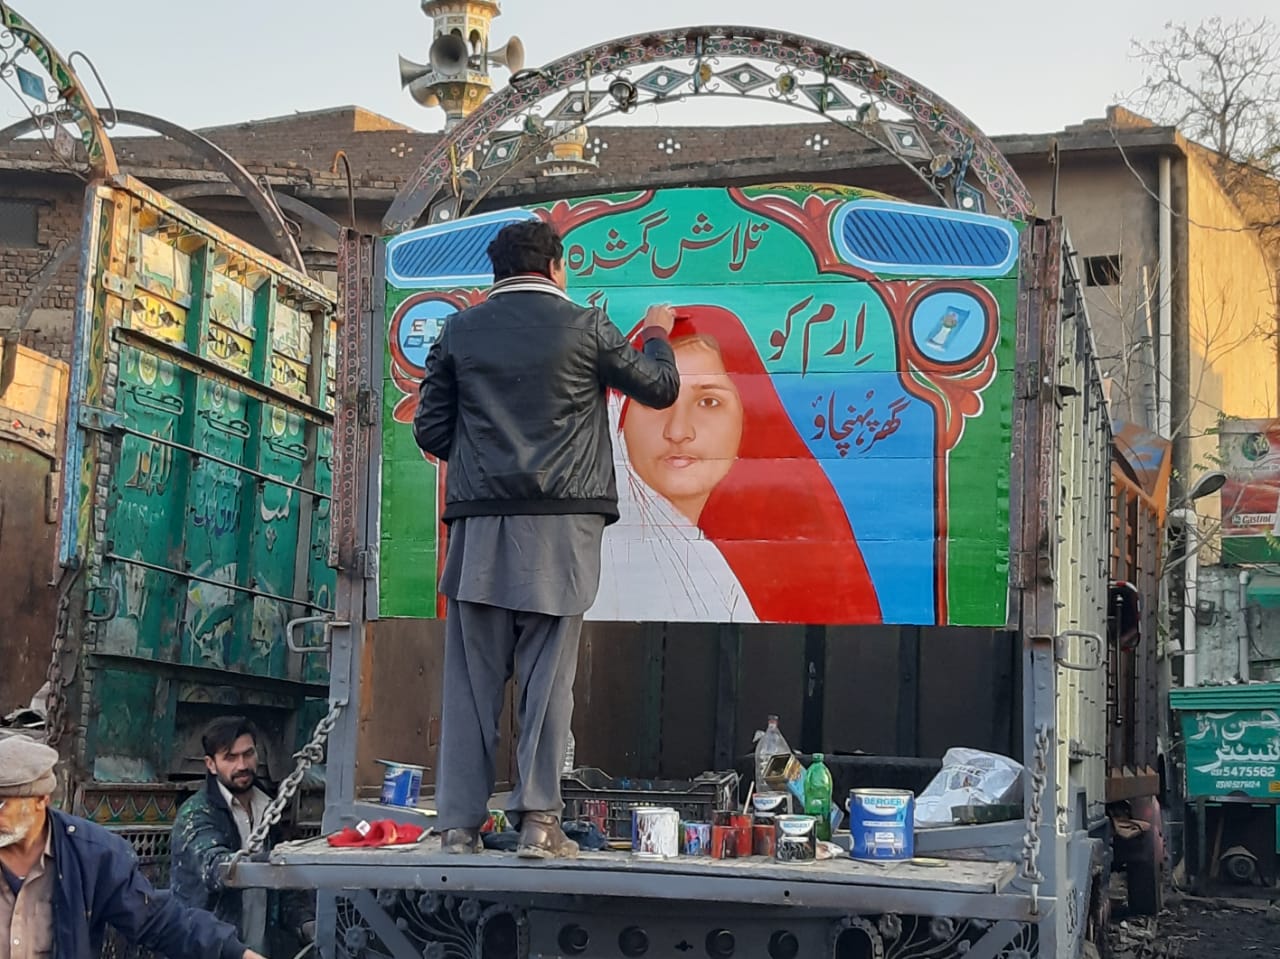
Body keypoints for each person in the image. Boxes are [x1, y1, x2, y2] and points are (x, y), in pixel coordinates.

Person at [414, 219, 680, 859]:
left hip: (480, 524)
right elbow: (659, 387)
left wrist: (485, 457)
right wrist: (657, 333)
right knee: (547, 682)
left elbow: (430, 429)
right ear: (557, 267)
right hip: (562, 526)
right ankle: (538, 823)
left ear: (496, 273)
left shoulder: (459, 332)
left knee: (471, 685)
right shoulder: (586, 327)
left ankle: (458, 827)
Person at [591, 305, 882, 624]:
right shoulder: (586, 555)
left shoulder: (803, 568)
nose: (678, 431)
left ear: (747, 417)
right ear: (618, 418)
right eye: (655, 400)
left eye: (708, 402)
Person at [0, 735, 265, 959]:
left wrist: (236, 953)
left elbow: (157, 920)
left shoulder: (89, 855)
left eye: (2, 803)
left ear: (41, 800)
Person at [170, 718, 313, 957]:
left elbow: (285, 891)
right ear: (211, 764)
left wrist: (306, 925)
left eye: (248, 754)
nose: (242, 765)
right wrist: (276, 858)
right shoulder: (196, 814)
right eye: (230, 757)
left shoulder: (268, 808)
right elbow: (217, 869)